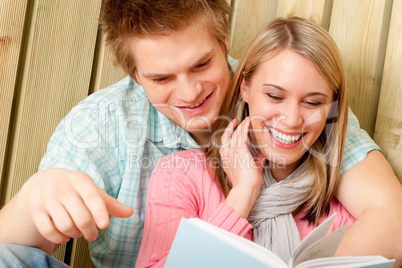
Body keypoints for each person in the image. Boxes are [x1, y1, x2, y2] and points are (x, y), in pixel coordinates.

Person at [0, 0, 401, 267]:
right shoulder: (102, 124)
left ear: (224, 41)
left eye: (202, 64)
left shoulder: (287, 97)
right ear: (134, 74)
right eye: (161, 77)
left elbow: (392, 215)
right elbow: (14, 252)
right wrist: (34, 198)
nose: (191, 93)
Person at [135, 16, 356, 267]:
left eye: (313, 103)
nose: (293, 120)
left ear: (331, 108)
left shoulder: (341, 208)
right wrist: (242, 194)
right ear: (245, 88)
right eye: (274, 96)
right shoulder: (179, 177)